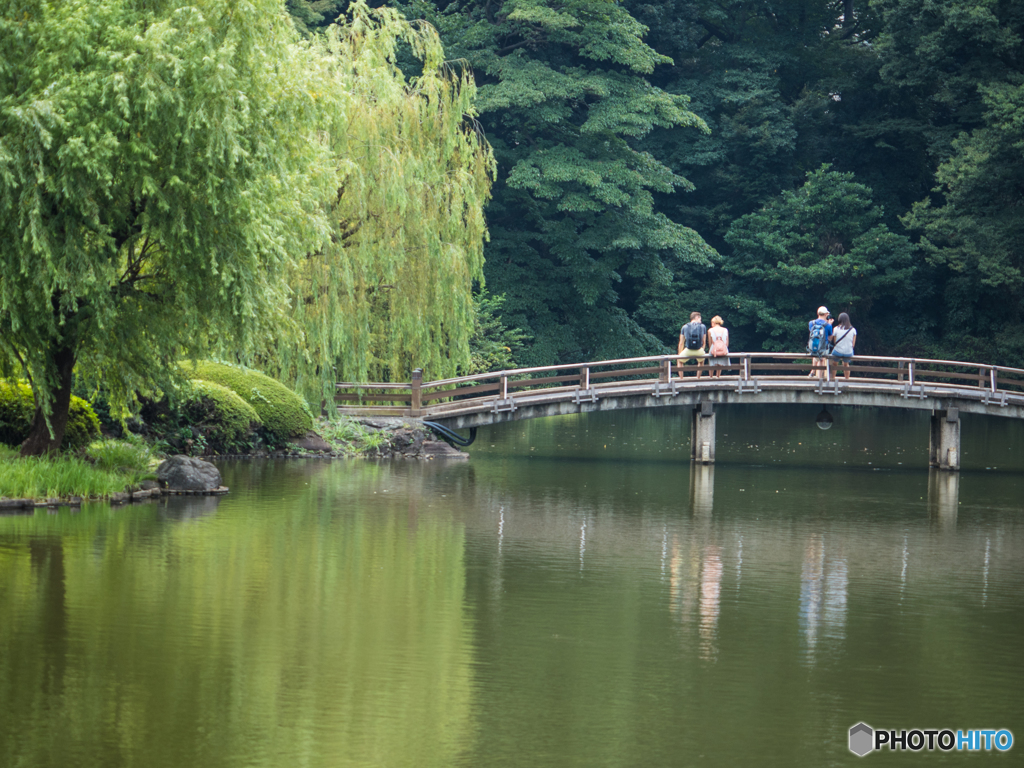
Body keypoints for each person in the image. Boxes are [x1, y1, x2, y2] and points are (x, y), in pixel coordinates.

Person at [678, 311, 707, 378]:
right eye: (700, 319)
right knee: (701, 361)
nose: (700, 321)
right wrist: (702, 350)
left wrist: (679, 354)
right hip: (699, 350)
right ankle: (698, 377)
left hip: (688, 349)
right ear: (697, 317)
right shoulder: (703, 327)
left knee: (679, 361)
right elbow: (704, 342)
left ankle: (681, 378)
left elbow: (681, 343)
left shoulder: (684, 327)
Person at [807, 306, 833, 380]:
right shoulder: (828, 325)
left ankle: (813, 372)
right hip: (823, 347)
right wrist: (829, 324)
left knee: (815, 354)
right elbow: (830, 338)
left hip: (813, 347)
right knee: (822, 359)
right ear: (826, 314)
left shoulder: (811, 323)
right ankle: (819, 379)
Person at [829, 312, 857, 380]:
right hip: (848, 352)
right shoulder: (853, 330)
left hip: (837, 351)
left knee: (834, 363)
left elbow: (835, 341)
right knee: (846, 365)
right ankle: (847, 379)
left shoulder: (836, 329)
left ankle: (832, 378)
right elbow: (853, 344)